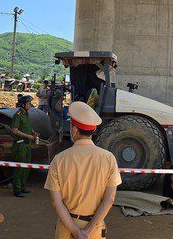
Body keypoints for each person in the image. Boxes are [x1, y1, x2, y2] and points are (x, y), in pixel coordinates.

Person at [45, 101, 121, 238]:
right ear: (93, 130)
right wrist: (87, 231)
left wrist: (76, 232)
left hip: (66, 229)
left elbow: (56, 203)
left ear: (74, 130)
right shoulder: (109, 158)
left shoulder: (59, 159)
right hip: (95, 229)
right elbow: (110, 199)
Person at [11, 95, 39, 197]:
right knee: (19, 168)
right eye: (28, 104)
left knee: (26, 167)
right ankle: (17, 189)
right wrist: (28, 136)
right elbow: (14, 130)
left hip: (26, 144)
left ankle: (22, 186)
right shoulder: (17, 115)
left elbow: (27, 127)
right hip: (20, 145)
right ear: (23, 105)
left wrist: (33, 132)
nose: (30, 105)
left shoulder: (26, 114)